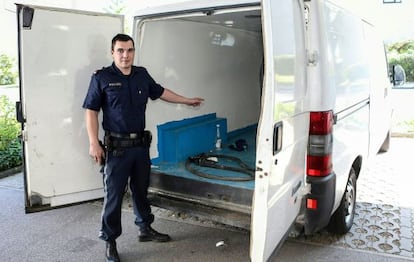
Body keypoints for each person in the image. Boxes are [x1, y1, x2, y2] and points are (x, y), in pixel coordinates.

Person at [82, 33, 204, 262]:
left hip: (140, 147)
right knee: (114, 197)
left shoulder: (141, 74)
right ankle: (110, 241)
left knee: (141, 190)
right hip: (116, 149)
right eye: (120, 50)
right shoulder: (102, 78)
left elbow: (161, 92)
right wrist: (93, 142)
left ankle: (145, 229)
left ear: (133, 52)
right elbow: (91, 110)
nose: (125, 55)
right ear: (112, 52)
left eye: (129, 50)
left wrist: (187, 100)